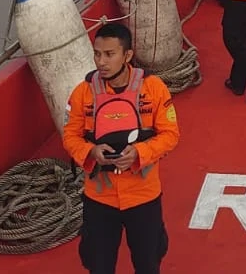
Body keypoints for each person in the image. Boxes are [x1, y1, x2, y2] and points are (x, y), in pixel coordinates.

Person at [62, 22, 181, 274]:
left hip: (143, 197)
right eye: (97, 54)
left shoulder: (155, 89)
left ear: (127, 55)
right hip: (99, 199)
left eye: (109, 54)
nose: (101, 62)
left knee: (148, 264)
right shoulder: (82, 93)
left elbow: (170, 134)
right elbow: (70, 136)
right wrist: (90, 152)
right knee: (99, 265)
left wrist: (140, 153)